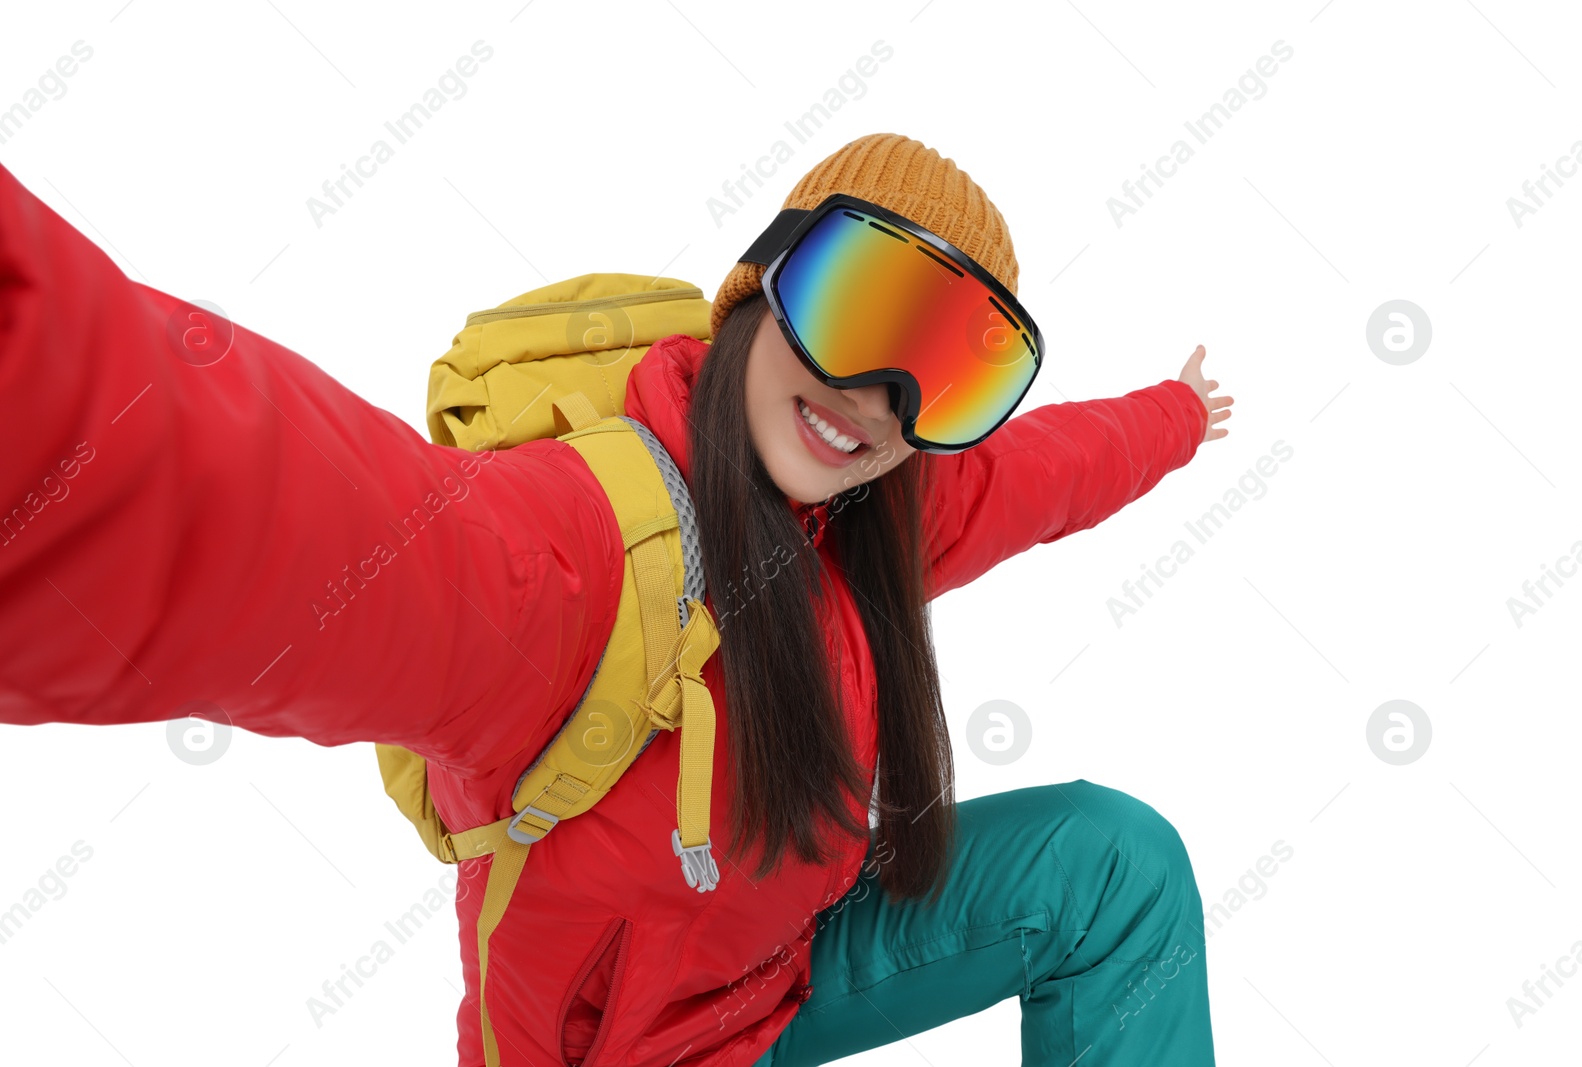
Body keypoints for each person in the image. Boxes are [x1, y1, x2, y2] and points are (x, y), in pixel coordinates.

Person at [0, 132, 1232, 1066]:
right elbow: (265, 515)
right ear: (761, 280)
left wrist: (1175, 417)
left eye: (949, 372)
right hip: (619, 1051)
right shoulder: (575, 550)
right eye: (859, 310)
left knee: (1109, 862)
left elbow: (1048, 469)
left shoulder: (870, 514)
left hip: (782, 976)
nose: (877, 398)